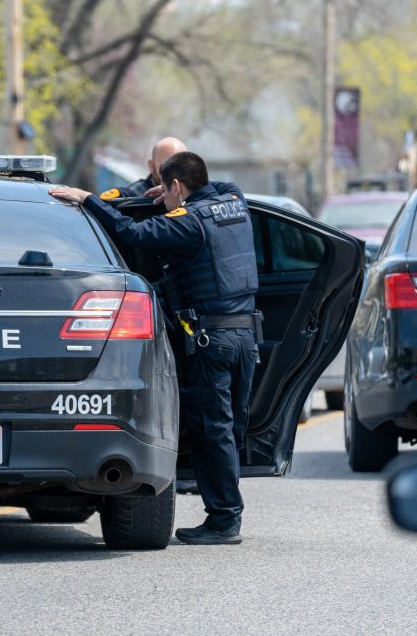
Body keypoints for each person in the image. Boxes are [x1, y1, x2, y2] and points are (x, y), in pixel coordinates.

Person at [50, 151, 259, 545]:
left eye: (167, 190)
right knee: (230, 428)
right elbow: (217, 187)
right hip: (247, 339)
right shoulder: (234, 202)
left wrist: (89, 200)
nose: (162, 197)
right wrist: (161, 194)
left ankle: (224, 520)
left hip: (210, 342)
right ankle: (228, 510)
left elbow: (132, 234)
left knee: (212, 431)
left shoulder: (189, 224)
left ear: (178, 186)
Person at [99, 137, 188, 201]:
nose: (174, 174)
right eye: (166, 167)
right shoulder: (133, 196)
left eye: (180, 167)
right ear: (151, 166)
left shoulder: (191, 194)